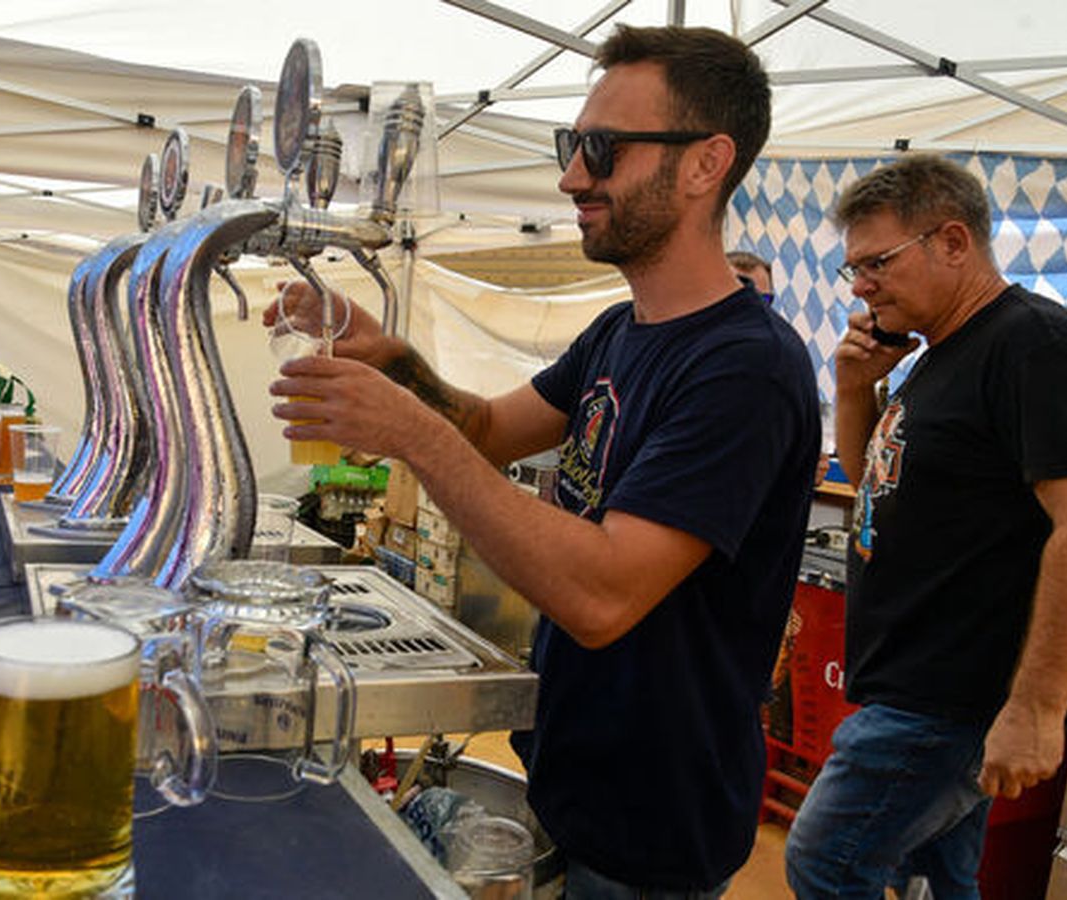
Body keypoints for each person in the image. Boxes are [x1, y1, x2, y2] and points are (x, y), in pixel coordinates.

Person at [269, 26, 818, 897]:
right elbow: (486, 427)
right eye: (572, 146)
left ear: (707, 163)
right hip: (574, 771)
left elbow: (602, 596)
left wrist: (410, 431)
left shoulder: (745, 368)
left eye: (600, 150)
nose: (571, 177)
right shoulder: (619, 329)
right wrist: (391, 358)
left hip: (653, 822)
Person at [784, 154, 1067, 898]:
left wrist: (1035, 709)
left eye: (876, 262)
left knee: (823, 860)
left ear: (952, 242)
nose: (862, 285)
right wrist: (854, 387)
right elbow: (878, 477)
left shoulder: (1035, 345)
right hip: (919, 686)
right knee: (943, 881)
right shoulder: (940, 354)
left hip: (955, 700)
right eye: (854, 270)